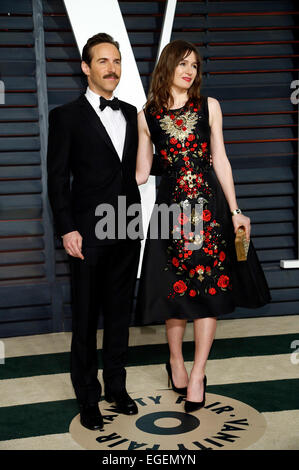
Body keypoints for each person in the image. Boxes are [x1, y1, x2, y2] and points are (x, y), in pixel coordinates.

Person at [135, 40, 271, 413]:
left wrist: (236, 210)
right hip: (169, 214)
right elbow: (141, 172)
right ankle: (176, 362)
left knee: (207, 292)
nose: (189, 71)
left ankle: (197, 374)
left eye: (194, 65)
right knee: (173, 294)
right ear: (167, 67)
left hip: (208, 213)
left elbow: (221, 159)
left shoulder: (209, 106)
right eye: (182, 63)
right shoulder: (146, 115)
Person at [47, 33, 142, 430]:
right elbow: (56, 179)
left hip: (127, 226)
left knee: (120, 315)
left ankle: (115, 388)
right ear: (86, 68)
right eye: (103, 61)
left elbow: (131, 172)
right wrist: (67, 228)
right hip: (86, 233)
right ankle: (87, 396)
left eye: (117, 61)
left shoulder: (131, 111)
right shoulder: (65, 116)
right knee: (86, 318)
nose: (112, 68)